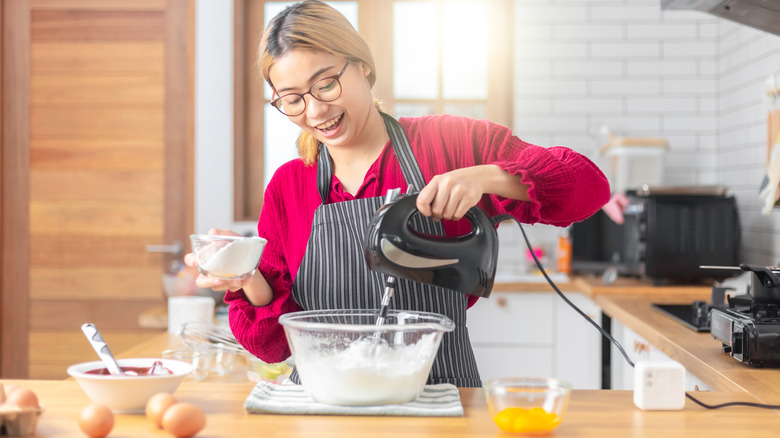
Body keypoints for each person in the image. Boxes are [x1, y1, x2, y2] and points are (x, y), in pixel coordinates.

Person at [185, 0, 610, 387]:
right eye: (292, 100)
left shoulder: (448, 141)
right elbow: (272, 347)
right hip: (322, 407)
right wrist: (247, 277)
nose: (315, 112)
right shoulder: (289, 185)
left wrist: (486, 177)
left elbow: (588, 188)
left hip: (437, 398)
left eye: (326, 85)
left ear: (363, 67)